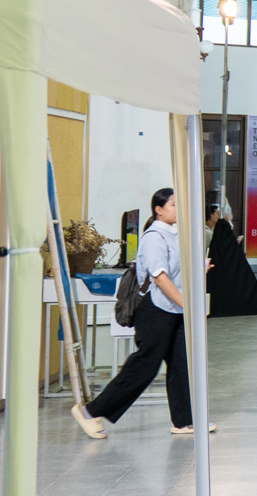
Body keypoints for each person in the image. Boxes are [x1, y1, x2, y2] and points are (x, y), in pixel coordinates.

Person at [71, 188, 211, 438]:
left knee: (181, 364)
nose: (179, 209)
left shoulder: (175, 235)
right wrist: (188, 305)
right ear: (158, 209)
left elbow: (177, 272)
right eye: (173, 204)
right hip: (155, 309)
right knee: (145, 366)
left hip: (174, 307)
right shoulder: (154, 237)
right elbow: (159, 277)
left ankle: (184, 421)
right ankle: (89, 412)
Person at [205, 202, 257, 317]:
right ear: (211, 216)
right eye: (216, 214)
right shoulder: (207, 232)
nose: (218, 216)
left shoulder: (214, 231)